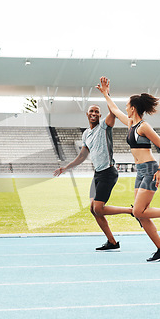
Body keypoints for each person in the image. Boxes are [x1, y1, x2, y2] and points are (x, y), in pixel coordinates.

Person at [96, 76, 160, 262]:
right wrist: (106, 94)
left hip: (150, 170)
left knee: (138, 212)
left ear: (133, 108)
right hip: (140, 172)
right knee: (142, 214)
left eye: (127, 105)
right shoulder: (131, 124)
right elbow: (113, 109)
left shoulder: (144, 127)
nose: (125, 108)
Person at [54, 104, 133, 251]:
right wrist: (66, 168)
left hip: (108, 172)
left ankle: (131, 211)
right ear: (87, 114)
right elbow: (82, 156)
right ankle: (112, 242)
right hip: (97, 174)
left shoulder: (104, 126)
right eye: (91, 111)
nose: (94, 113)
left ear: (100, 115)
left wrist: (106, 93)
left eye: (97, 111)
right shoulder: (86, 134)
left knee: (99, 208)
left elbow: (113, 112)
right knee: (93, 209)